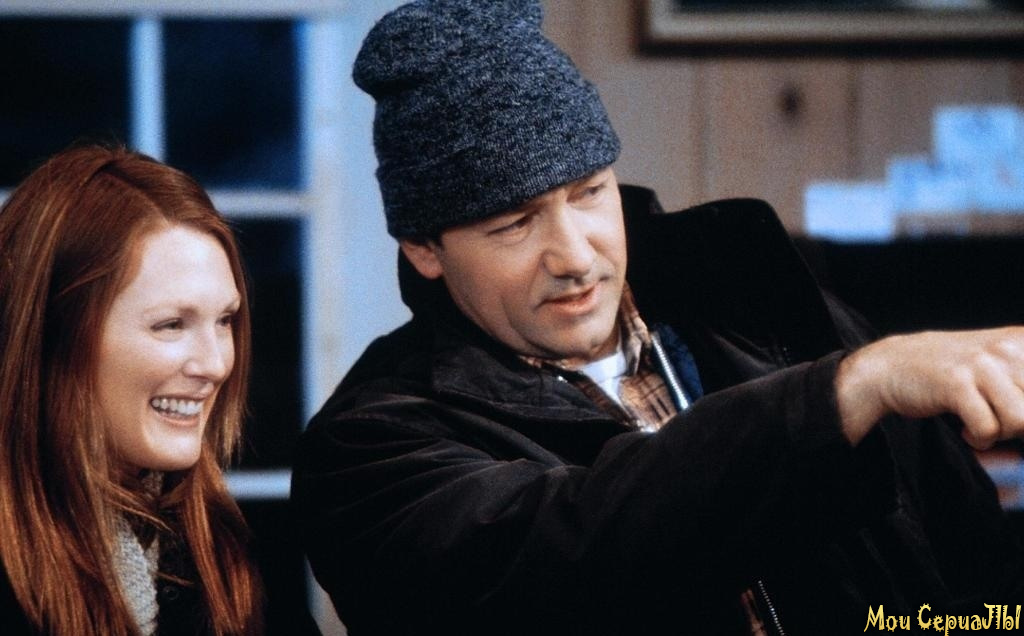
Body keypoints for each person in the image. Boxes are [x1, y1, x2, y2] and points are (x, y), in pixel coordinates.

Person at [291, 1, 1024, 633]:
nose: (575, 256)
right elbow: (581, 545)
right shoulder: (367, 448)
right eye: (514, 224)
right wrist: (843, 395)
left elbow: (977, 585)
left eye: (589, 193)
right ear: (424, 248)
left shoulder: (772, 313)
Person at [0, 145, 264, 635]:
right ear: (55, 336)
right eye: (171, 325)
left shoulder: (228, 548)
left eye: (225, 320)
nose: (215, 365)